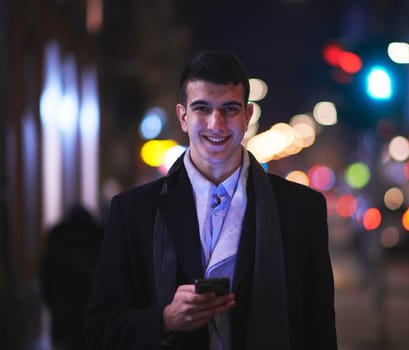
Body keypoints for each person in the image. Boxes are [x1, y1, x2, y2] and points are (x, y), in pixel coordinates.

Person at [84, 50, 337, 350]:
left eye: (229, 109)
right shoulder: (133, 212)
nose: (216, 124)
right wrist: (164, 320)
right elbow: (99, 330)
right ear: (183, 116)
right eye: (202, 108)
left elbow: (319, 330)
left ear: (247, 116)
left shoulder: (301, 209)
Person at [40, 205, 104, 350]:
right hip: (91, 314)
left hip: (62, 313)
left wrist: (52, 303)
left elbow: (46, 277)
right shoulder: (99, 242)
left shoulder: (57, 243)